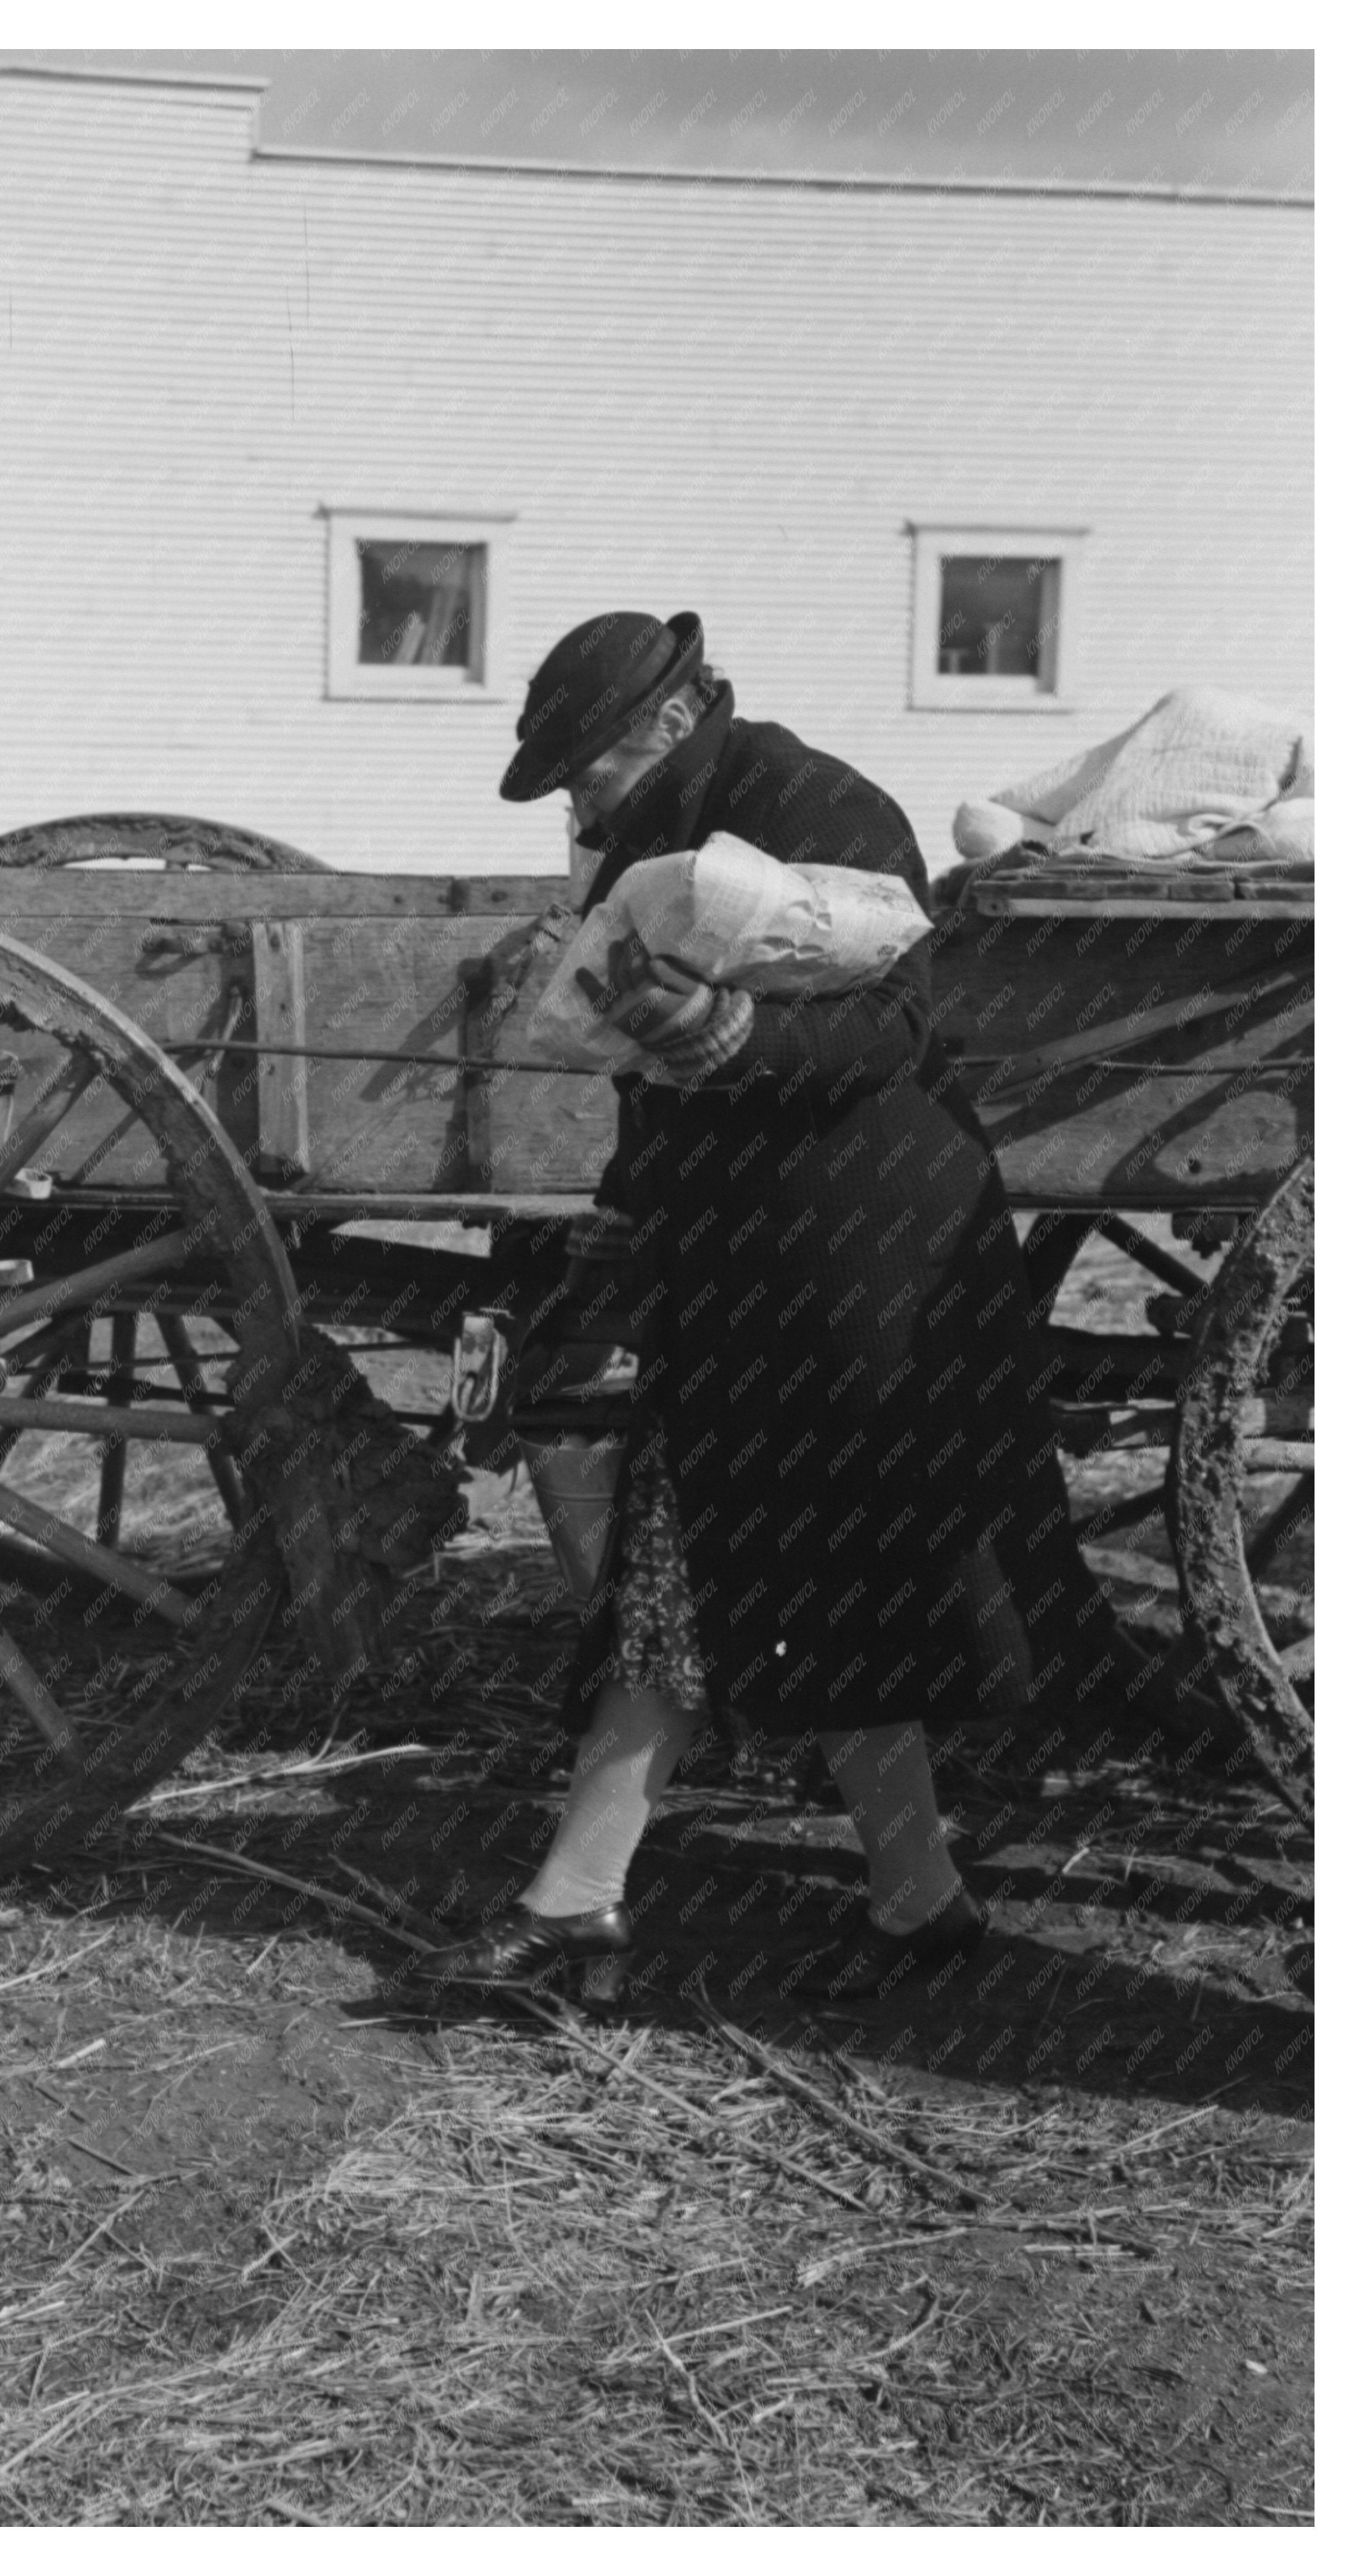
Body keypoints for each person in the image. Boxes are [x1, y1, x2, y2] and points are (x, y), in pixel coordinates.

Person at [416, 609, 1122, 2008]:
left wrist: (730, 1037)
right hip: (748, 1263)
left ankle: (593, 1908)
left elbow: (897, 1027)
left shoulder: (818, 804)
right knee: (759, 1578)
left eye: (582, 766)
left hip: (865, 1256)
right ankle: (895, 1899)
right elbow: (640, 1069)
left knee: (780, 1575)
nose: (574, 797)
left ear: (665, 724)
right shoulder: (646, 845)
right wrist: (624, 1215)